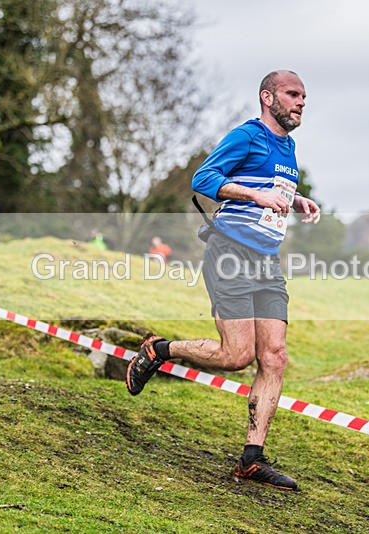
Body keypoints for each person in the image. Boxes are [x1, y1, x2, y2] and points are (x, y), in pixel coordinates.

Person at [126, 70, 320, 491]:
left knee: (274, 356)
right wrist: (255, 195)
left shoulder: (288, 146)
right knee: (236, 356)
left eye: (304, 96)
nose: (302, 102)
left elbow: (271, 189)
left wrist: (296, 200)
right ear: (267, 97)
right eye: (293, 94)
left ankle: (252, 459)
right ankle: (160, 350)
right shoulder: (246, 136)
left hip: (266, 261)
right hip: (230, 253)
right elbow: (204, 179)